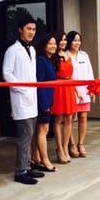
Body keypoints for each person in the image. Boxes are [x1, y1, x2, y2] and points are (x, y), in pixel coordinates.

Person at [2, 14, 45, 185]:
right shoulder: (12, 51)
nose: (31, 32)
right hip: (21, 99)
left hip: (31, 99)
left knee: (31, 135)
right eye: (28, 29)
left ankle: (27, 166)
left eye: (34, 29)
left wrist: (31, 89)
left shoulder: (32, 50)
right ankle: (20, 172)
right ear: (20, 30)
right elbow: (7, 73)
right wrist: (22, 88)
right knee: (25, 137)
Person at [66, 31, 95, 158]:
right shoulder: (65, 56)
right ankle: (71, 144)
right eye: (74, 40)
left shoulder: (84, 55)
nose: (77, 43)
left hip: (85, 91)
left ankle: (81, 143)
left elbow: (90, 73)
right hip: (71, 91)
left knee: (83, 117)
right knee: (70, 119)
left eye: (79, 40)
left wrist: (93, 90)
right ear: (69, 41)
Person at [32, 33, 57, 171]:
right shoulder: (41, 60)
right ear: (44, 46)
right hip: (43, 101)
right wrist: (44, 103)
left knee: (41, 131)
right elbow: (39, 84)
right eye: (50, 44)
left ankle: (36, 158)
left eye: (55, 43)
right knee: (43, 130)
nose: (54, 46)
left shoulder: (49, 60)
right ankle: (45, 161)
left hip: (48, 99)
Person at [51, 31, 78, 164]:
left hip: (69, 87)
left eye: (64, 40)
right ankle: (59, 148)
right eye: (60, 40)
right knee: (58, 118)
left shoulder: (67, 55)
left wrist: (76, 90)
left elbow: (72, 74)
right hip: (59, 88)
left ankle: (66, 147)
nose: (63, 42)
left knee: (69, 118)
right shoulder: (53, 56)